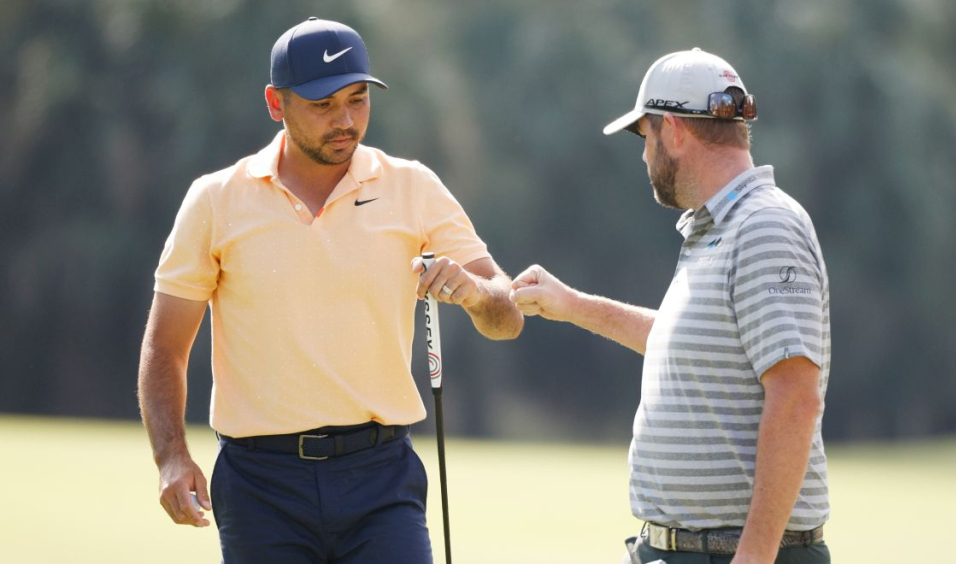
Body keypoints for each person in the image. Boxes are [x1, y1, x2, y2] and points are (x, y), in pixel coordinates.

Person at [137, 17, 522, 563]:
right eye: (323, 104)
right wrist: (171, 457)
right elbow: (165, 348)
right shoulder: (215, 200)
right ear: (277, 103)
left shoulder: (413, 187)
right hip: (259, 484)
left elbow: (506, 315)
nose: (345, 120)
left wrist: (478, 295)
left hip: (381, 479)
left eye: (358, 99)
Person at [510, 48, 831, 564]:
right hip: (674, 549)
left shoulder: (765, 227)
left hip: (733, 554)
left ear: (674, 130)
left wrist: (753, 557)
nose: (643, 155)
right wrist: (573, 305)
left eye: (646, 136)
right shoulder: (715, 231)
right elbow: (694, 345)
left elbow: (796, 397)